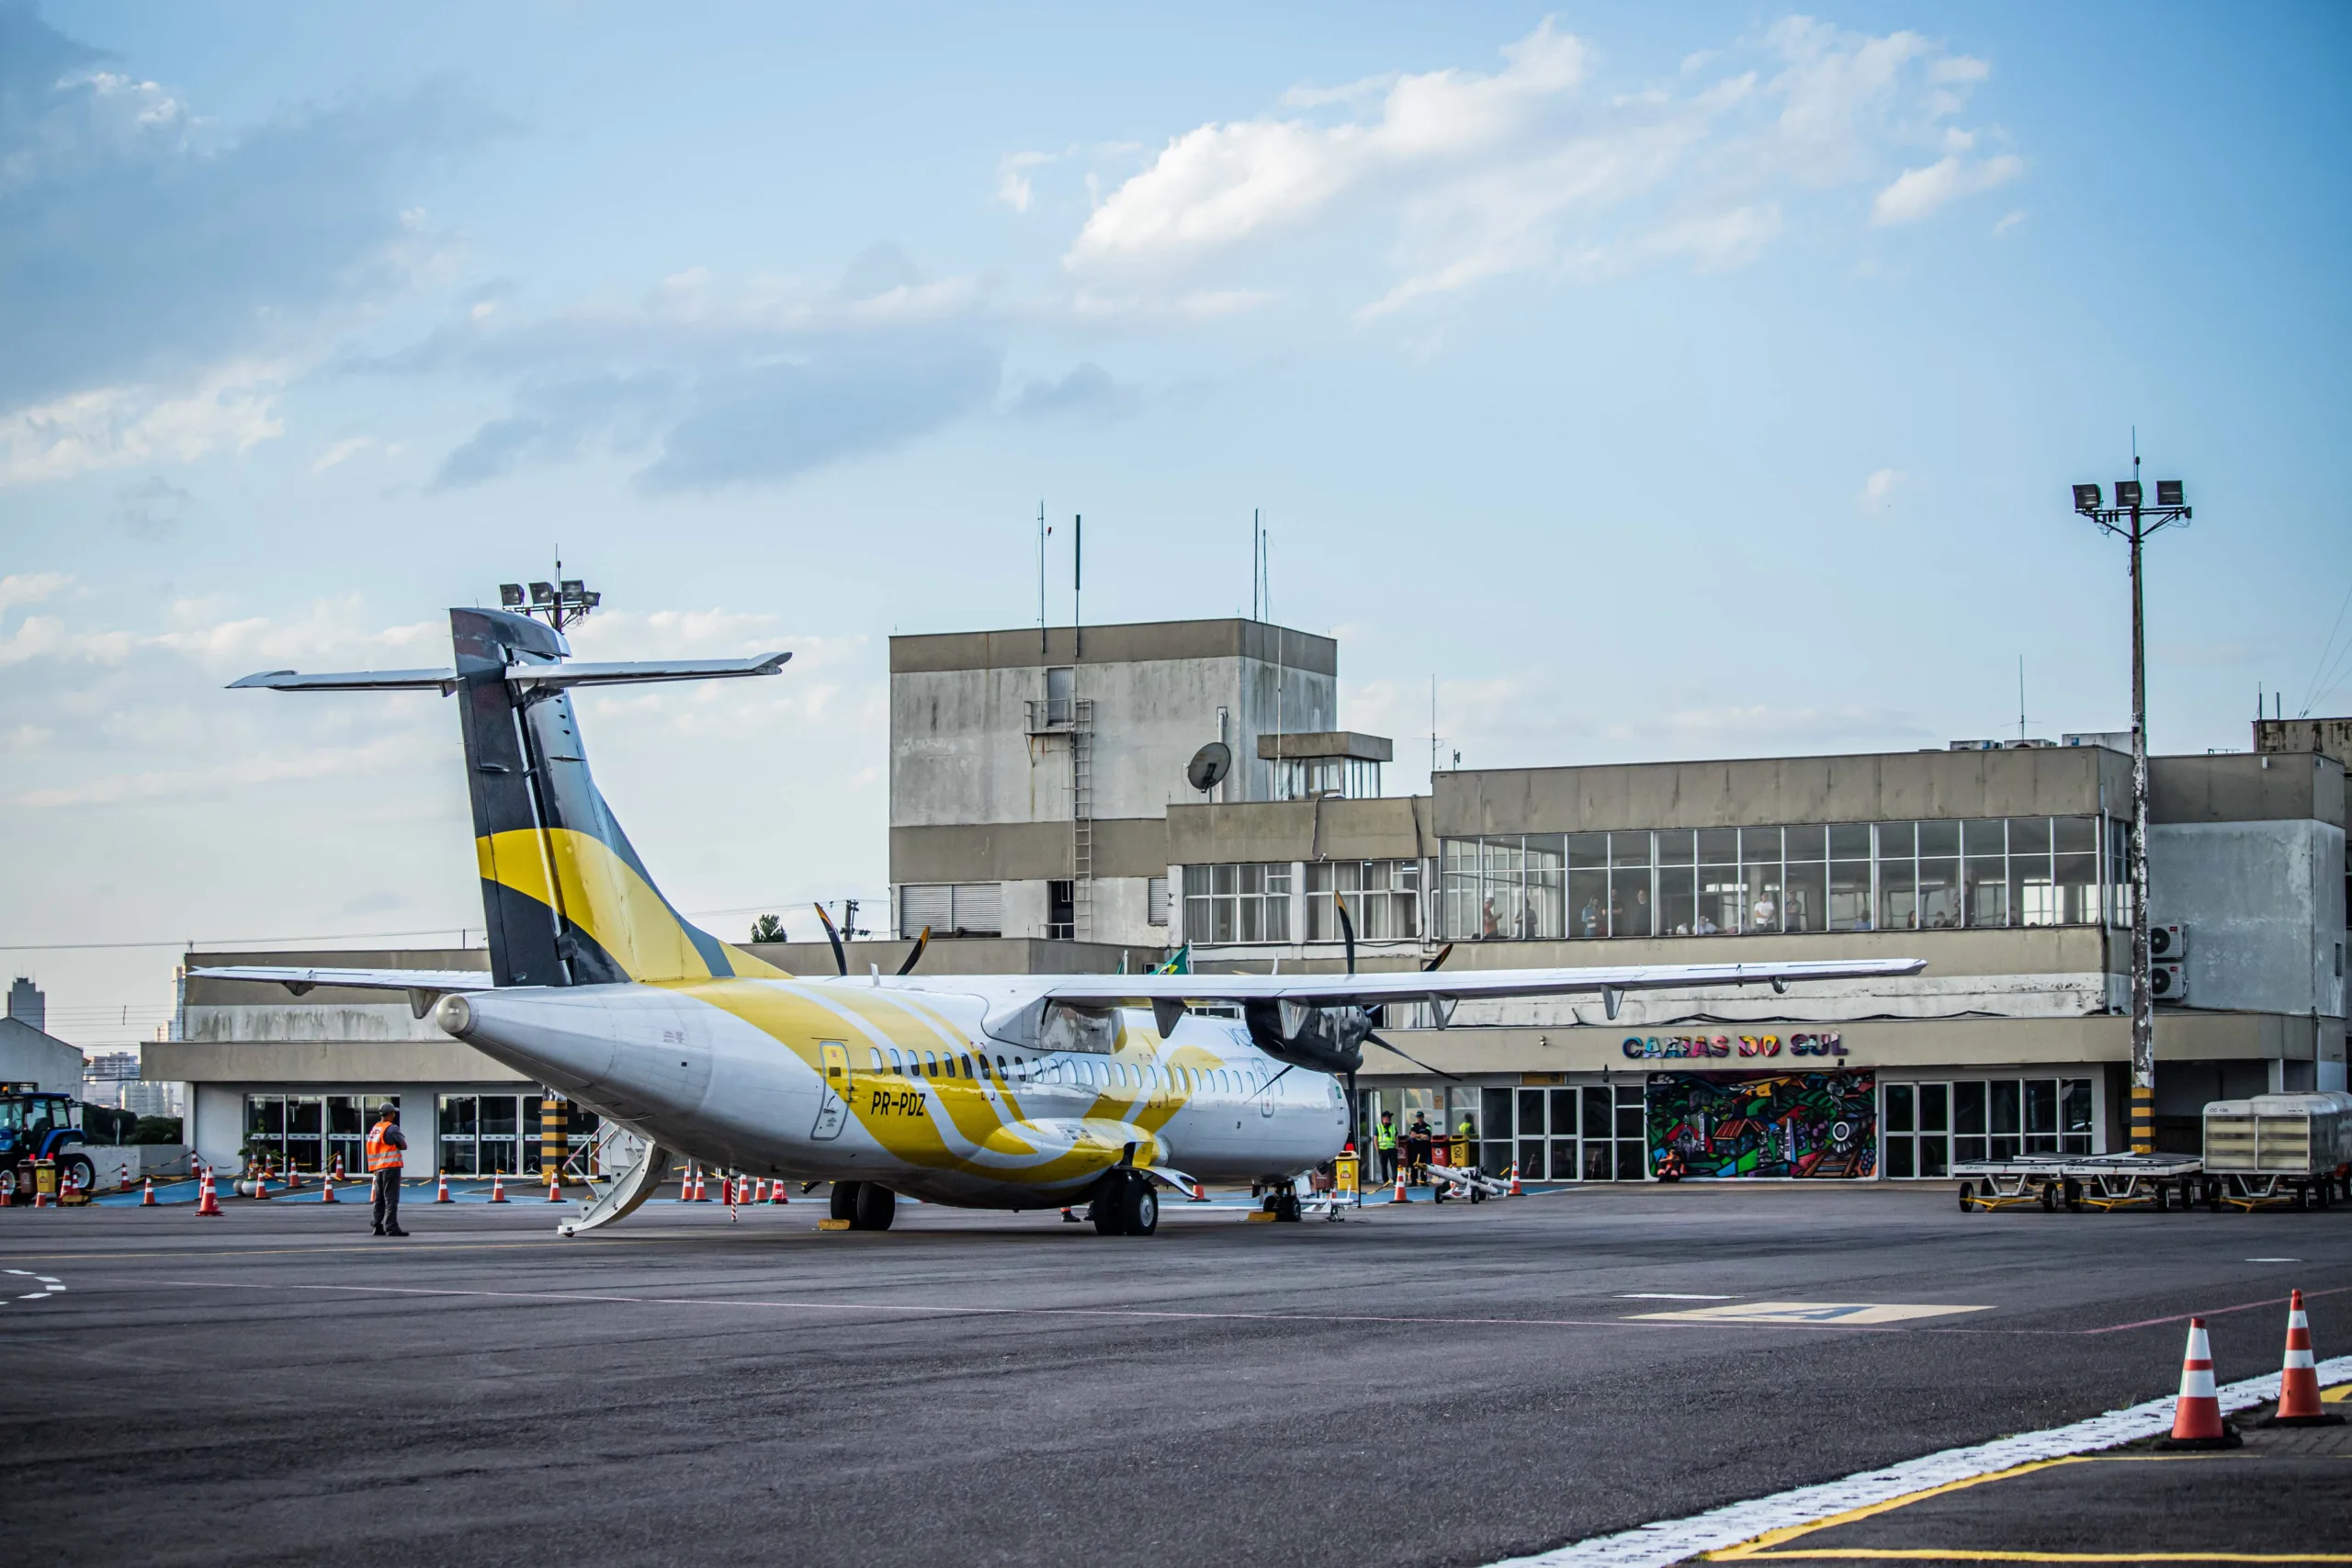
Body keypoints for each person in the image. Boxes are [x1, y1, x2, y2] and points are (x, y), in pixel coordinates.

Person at [366, 1104, 409, 1236]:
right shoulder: (392, 1128)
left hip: (378, 1169)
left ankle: (377, 1225)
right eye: (393, 1113)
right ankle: (391, 1227)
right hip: (391, 1167)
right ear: (390, 1114)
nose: (394, 1115)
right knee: (391, 1198)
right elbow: (403, 1145)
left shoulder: (376, 1128)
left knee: (379, 1199)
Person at [1405, 1112, 1433, 1186]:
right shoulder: (1414, 1125)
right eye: (1418, 1117)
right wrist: (1421, 1135)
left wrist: (1417, 1135)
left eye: (1420, 1117)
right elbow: (1412, 1135)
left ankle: (1423, 1181)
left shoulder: (1427, 1126)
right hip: (1415, 1148)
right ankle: (1414, 1181)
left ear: (1423, 1117)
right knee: (1414, 1164)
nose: (1419, 1119)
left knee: (1423, 1164)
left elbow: (1427, 1137)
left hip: (1424, 1148)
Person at [1374, 1111, 1398, 1184]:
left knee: (1394, 1166)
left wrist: (1397, 1147)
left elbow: (1396, 1137)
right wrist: (1377, 1149)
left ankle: (1395, 1181)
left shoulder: (1393, 1126)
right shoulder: (1378, 1127)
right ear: (1384, 1119)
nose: (1390, 1119)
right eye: (1388, 1117)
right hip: (1382, 1150)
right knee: (1383, 1166)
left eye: (1390, 1117)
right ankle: (1385, 1181)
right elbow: (1375, 1138)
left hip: (1392, 1149)